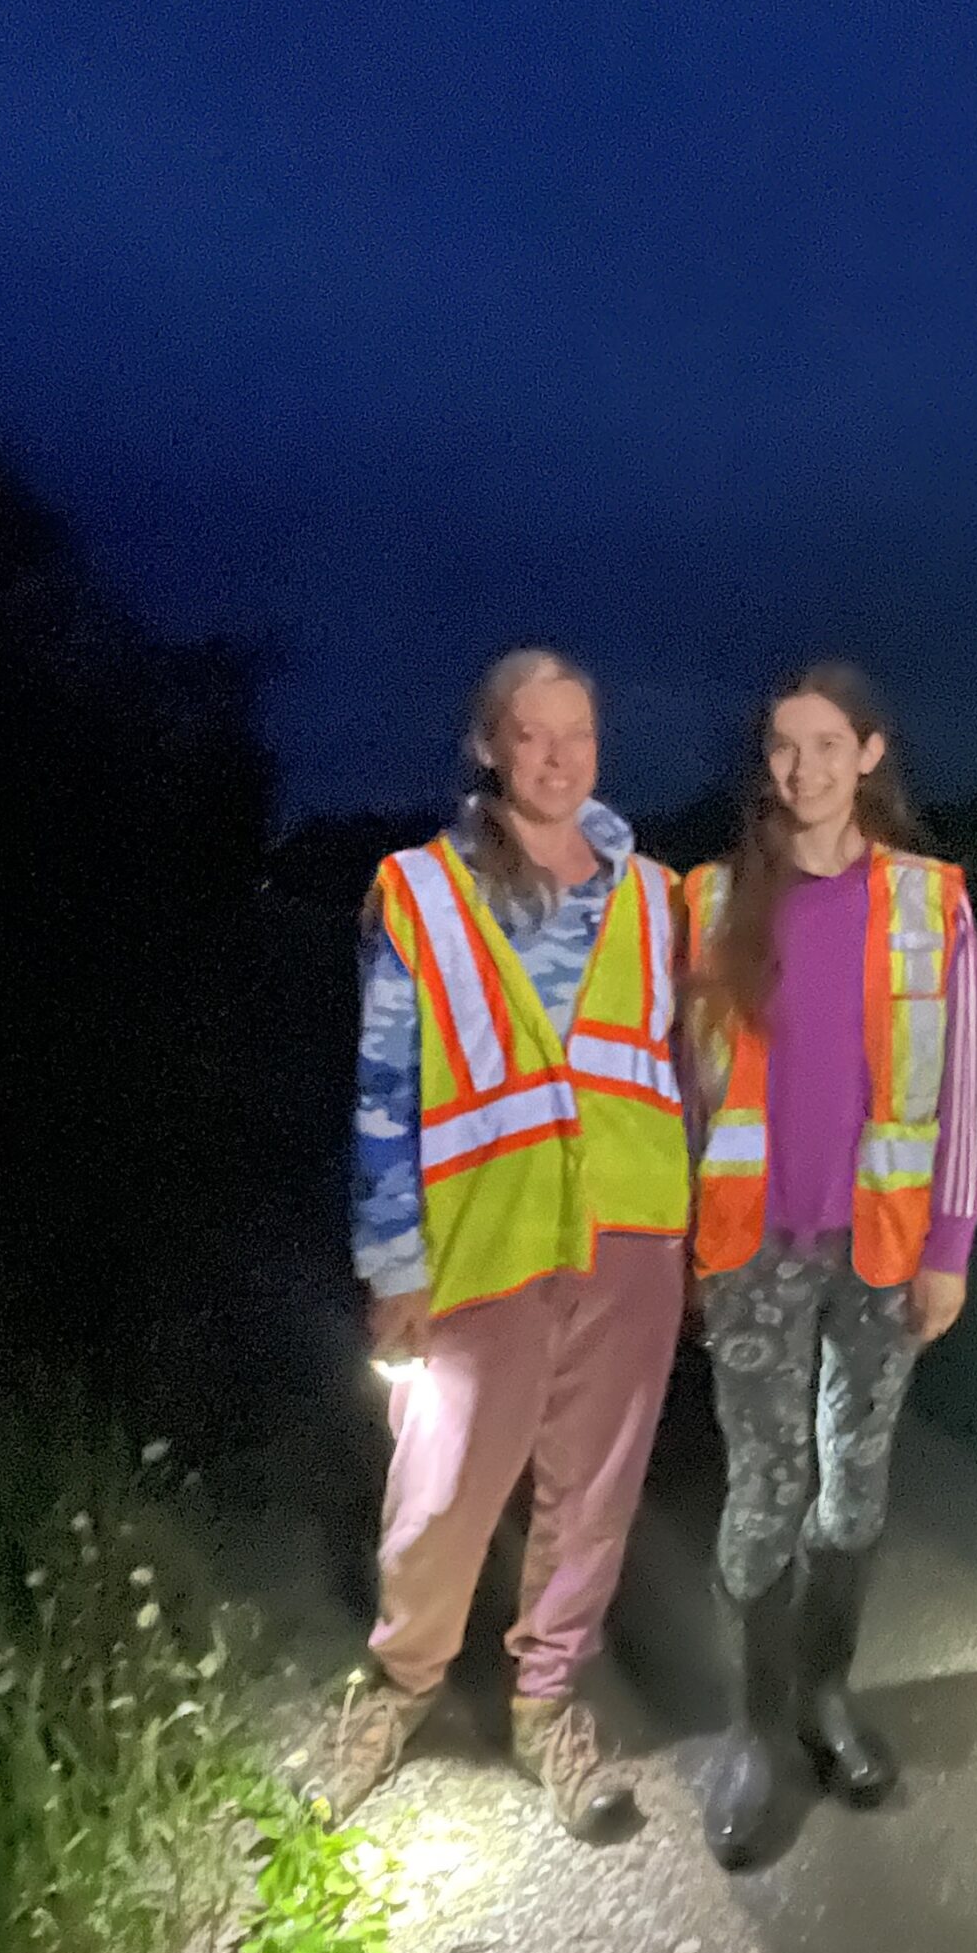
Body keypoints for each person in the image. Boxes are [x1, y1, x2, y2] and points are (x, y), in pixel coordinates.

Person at [331, 648, 690, 1838]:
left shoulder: (655, 894)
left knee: (591, 1491)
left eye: (575, 734)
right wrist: (393, 1262)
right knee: (442, 1485)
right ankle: (400, 1684)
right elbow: (384, 1082)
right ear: (487, 746)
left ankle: (547, 1702)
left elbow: (690, 1063)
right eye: (529, 735)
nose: (554, 756)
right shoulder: (422, 891)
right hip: (482, 1236)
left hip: (630, 1235)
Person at [682, 663, 977, 1869]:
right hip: (751, 1245)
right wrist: (673, 1249)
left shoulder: (931, 903)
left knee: (851, 1484)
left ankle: (824, 1699)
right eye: (781, 746)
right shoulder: (707, 904)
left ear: (870, 753)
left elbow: (964, 1089)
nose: (802, 768)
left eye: (826, 744)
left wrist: (951, 1248)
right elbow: (673, 1093)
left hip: (882, 1248)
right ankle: (753, 1734)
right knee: (764, 1482)